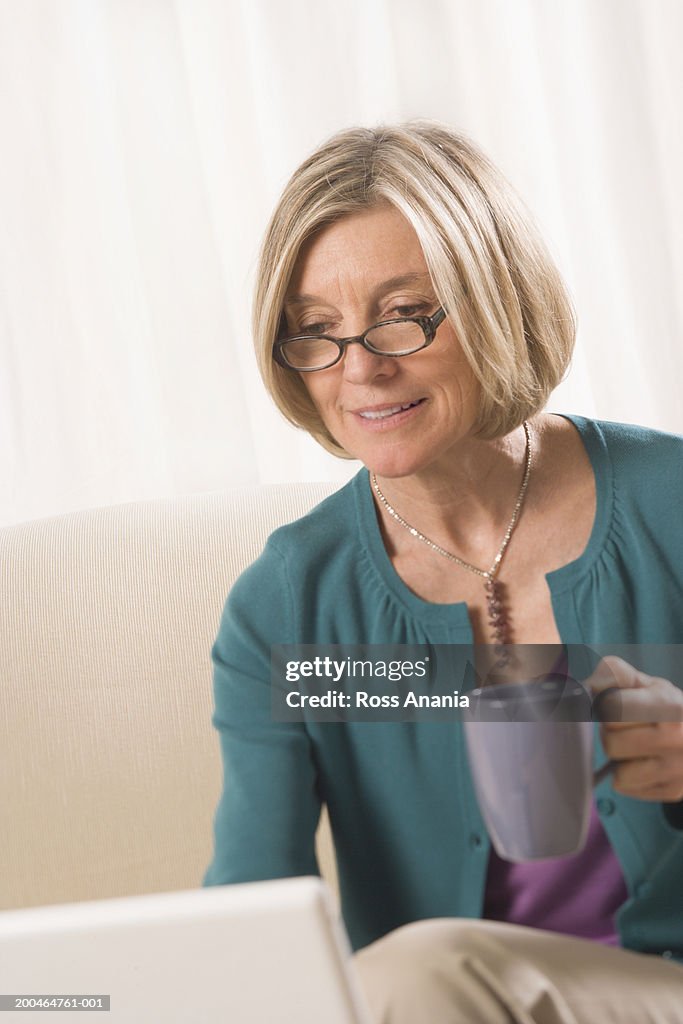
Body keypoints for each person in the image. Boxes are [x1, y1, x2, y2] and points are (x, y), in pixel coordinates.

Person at [204, 122, 683, 1022]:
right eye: (316, 332)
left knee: (420, 973)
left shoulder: (672, 505)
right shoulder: (286, 608)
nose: (363, 370)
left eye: (401, 313)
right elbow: (249, 909)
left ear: (498, 299)